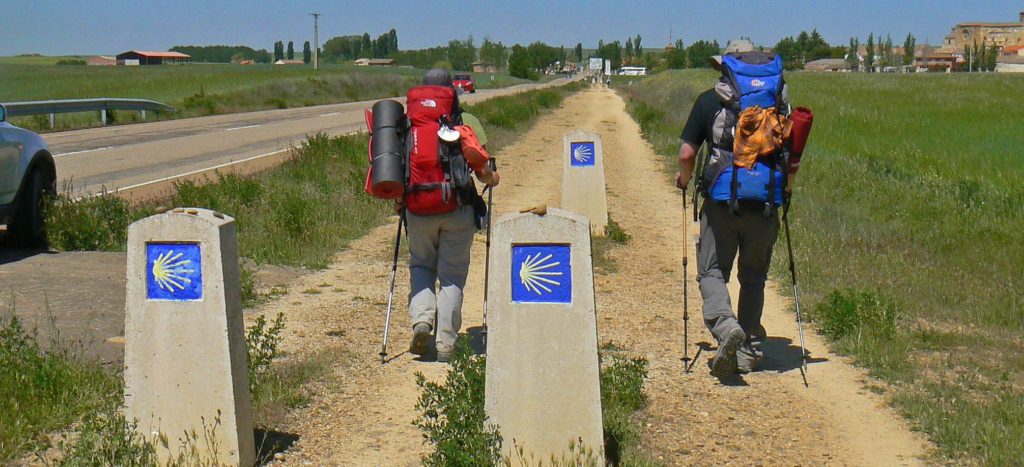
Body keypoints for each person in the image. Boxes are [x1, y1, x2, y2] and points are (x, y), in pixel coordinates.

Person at [674, 44, 794, 377]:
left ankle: (726, 328)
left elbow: (687, 153)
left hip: (722, 201)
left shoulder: (710, 101)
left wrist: (683, 180)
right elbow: (791, 153)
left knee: (711, 272)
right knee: (754, 277)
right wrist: (787, 189)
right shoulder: (778, 103)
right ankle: (751, 346)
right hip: (767, 200)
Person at [407, 69, 499, 363]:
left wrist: (402, 204)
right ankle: (445, 345)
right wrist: (493, 178)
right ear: (452, 92)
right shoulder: (466, 122)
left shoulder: (410, 122)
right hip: (457, 210)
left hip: (418, 209)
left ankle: (422, 320)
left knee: (421, 266)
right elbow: (483, 173)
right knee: (451, 277)